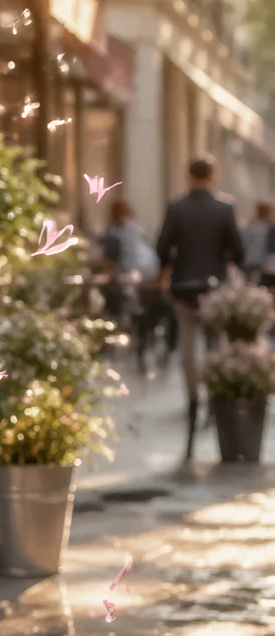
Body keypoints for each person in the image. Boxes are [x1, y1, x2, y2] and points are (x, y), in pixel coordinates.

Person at [156, 155, 245, 456]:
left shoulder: (176, 208)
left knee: (187, 343)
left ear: (189, 176)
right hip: (213, 287)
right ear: (213, 176)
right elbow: (238, 249)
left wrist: (167, 269)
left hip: (183, 287)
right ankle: (212, 398)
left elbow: (162, 246)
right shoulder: (224, 209)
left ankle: (193, 396)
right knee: (213, 344)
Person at [100, 199, 168, 371]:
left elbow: (109, 263)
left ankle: (117, 344)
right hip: (143, 278)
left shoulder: (113, 234)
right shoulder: (135, 231)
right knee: (143, 316)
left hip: (125, 280)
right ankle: (142, 347)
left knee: (117, 311)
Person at [242, 201, 275, 285]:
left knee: (249, 286)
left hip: (248, 261)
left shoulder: (250, 225)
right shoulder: (269, 228)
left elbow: (243, 243)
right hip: (263, 264)